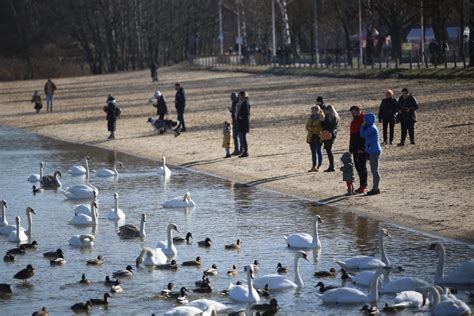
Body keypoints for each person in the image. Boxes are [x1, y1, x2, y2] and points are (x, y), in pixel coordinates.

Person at [360, 112, 382, 195]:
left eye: (365, 119)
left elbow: (362, 134)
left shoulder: (371, 128)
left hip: (374, 151)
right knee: (374, 169)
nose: (363, 121)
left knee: (374, 170)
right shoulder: (370, 127)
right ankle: (375, 187)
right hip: (372, 150)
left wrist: (362, 126)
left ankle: (375, 188)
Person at [317, 96, 340, 172]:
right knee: (328, 150)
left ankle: (332, 166)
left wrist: (322, 121)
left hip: (328, 134)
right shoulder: (335, 116)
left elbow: (327, 125)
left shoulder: (329, 117)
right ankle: (331, 166)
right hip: (332, 134)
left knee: (329, 150)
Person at [349, 105, 368, 194]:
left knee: (362, 167)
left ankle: (364, 186)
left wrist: (362, 148)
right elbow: (352, 136)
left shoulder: (364, 120)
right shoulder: (353, 121)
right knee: (357, 167)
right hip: (355, 148)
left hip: (363, 148)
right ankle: (361, 186)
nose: (353, 114)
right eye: (352, 113)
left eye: (354, 112)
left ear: (359, 111)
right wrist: (351, 148)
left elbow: (365, 136)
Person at [306, 105, 325, 172]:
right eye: (311, 110)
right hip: (311, 136)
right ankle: (313, 166)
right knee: (313, 152)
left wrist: (311, 128)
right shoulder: (311, 117)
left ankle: (319, 166)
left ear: (317, 110)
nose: (312, 112)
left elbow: (319, 128)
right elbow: (307, 126)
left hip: (318, 136)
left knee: (319, 151)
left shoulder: (321, 117)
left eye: (313, 110)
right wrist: (312, 128)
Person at [236, 90, 250, 158]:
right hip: (241, 122)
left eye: (240, 96)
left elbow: (247, 113)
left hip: (244, 123)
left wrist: (241, 117)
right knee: (242, 137)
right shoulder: (242, 102)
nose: (239, 97)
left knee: (243, 138)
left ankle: (245, 151)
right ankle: (245, 151)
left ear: (243, 96)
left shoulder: (245, 102)